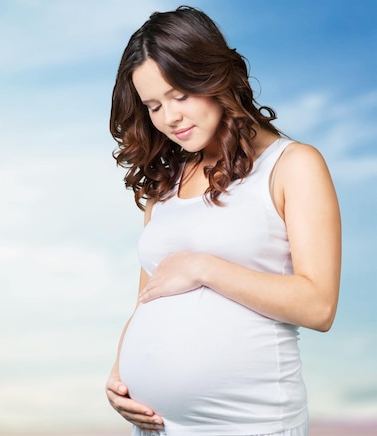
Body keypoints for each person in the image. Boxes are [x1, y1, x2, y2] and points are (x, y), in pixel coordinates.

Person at [105, 6, 341, 436]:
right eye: (153, 105)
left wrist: (204, 267)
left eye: (179, 95)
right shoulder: (166, 182)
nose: (169, 117)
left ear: (213, 76)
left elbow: (319, 305)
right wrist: (120, 376)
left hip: (251, 424)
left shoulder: (292, 165)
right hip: (155, 427)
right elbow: (147, 300)